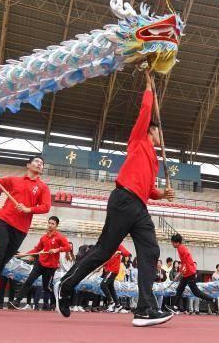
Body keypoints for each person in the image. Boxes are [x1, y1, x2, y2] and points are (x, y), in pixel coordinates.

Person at [58, 69, 175, 327]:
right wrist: (148, 87)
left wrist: (161, 194)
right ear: (152, 132)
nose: (160, 138)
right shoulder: (138, 141)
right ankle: (66, 285)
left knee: (151, 250)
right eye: (158, 133)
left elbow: (145, 188)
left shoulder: (154, 161)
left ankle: (145, 308)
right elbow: (145, 114)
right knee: (104, 251)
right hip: (123, 200)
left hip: (139, 206)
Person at [0, 154, 51, 312]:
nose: (39, 164)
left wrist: (29, 209)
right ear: (28, 165)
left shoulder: (42, 187)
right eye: (37, 161)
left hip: (21, 229)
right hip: (4, 221)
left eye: (41, 163)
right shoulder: (14, 180)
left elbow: (46, 206)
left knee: (2, 261)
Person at [11, 216, 71, 310]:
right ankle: (17, 301)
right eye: (49, 223)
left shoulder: (60, 237)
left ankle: (54, 303)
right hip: (40, 264)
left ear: (56, 226)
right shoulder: (44, 237)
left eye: (52, 224)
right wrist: (24, 254)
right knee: (29, 281)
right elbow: (37, 249)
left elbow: (68, 248)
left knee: (46, 287)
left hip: (51, 267)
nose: (50, 225)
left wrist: (57, 249)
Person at [168, 234, 216, 314]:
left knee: (196, 292)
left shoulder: (181, 248)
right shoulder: (180, 248)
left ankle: (211, 299)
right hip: (187, 273)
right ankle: (175, 307)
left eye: (172, 242)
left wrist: (179, 274)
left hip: (189, 273)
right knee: (179, 289)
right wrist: (180, 273)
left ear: (176, 242)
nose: (172, 244)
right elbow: (184, 262)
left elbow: (186, 262)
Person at [99, 244, 131, 313]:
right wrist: (102, 266)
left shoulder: (118, 245)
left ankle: (111, 302)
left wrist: (119, 252)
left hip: (113, 270)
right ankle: (118, 304)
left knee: (103, 285)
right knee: (111, 287)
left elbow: (127, 253)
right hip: (109, 269)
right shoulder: (107, 246)